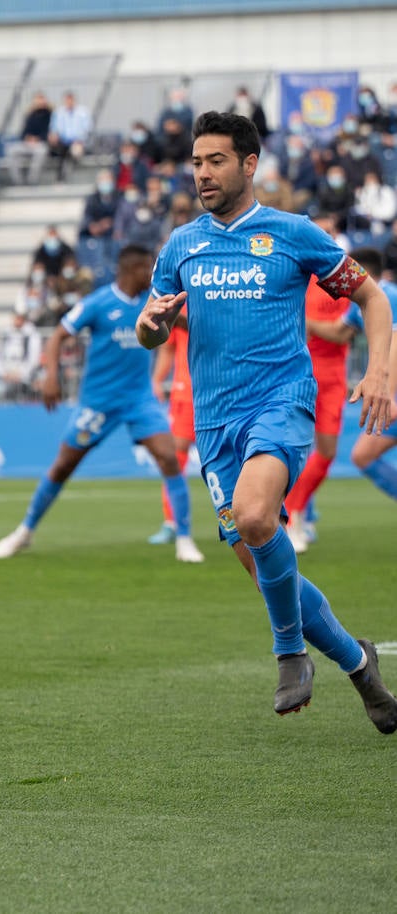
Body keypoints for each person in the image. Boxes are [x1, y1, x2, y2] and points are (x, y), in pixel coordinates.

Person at [136, 111, 396, 732]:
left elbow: (372, 297)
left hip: (281, 403)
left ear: (249, 165)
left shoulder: (291, 233)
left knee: (256, 517)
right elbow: (149, 327)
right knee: (267, 567)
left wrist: (381, 369)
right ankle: (360, 665)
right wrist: (152, 328)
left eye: (216, 160)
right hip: (215, 424)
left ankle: (288, 654)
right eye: (196, 162)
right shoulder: (181, 245)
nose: (202, 173)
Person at [0, 245, 204, 563]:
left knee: (169, 457)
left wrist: (199, 322)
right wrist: (51, 375)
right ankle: (25, 530)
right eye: (148, 268)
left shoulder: (152, 305)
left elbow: (186, 324)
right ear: (130, 270)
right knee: (64, 465)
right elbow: (57, 337)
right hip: (98, 403)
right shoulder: (98, 303)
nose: (152, 275)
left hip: (139, 400)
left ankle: (184, 540)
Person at [281, 248, 368, 552]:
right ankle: (290, 517)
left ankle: (298, 509)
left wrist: (309, 325)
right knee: (293, 449)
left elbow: (342, 335)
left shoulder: (344, 281)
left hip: (332, 379)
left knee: (327, 451)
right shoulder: (298, 281)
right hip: (299, 375)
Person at [349, 250, 397, 501]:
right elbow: (341, 332)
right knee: (362, 455)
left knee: (362, 455)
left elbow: (395, 343)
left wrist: (387, 394)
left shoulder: (388, 294)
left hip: (391, 393)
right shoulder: (357, 302)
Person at [146, 318, 196, 546]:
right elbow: (167, 348)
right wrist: (157, 379)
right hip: (185, 391)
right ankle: (172, 522)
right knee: (175, 456)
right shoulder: (181, 300)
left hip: (223, 389)